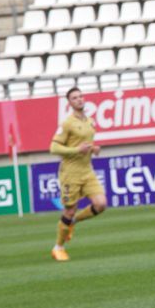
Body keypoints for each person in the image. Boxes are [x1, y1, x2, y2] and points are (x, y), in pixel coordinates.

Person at [48, 86, 107, 261]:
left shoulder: (90, 121)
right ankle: (58, 247)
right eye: (75, 98)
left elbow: (85, 144)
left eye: (81, 96)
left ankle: (73, 223)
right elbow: (53, 147)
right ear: (70, 103)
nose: (79, 99)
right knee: (70, 210)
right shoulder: (67, 123)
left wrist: (93, 149)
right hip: (70, 173)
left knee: (101, 204)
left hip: (87, 171)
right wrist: (77, 150)